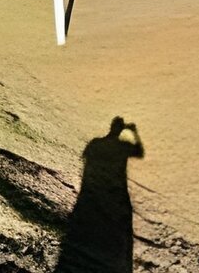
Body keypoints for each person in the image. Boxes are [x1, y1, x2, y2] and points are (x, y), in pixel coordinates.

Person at [55, 117, 145, 273]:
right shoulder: (103, 145)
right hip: (106, 194)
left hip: (104, 197)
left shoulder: (97, 146)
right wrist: (133, 132)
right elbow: (139, 152)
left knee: (116, 232)